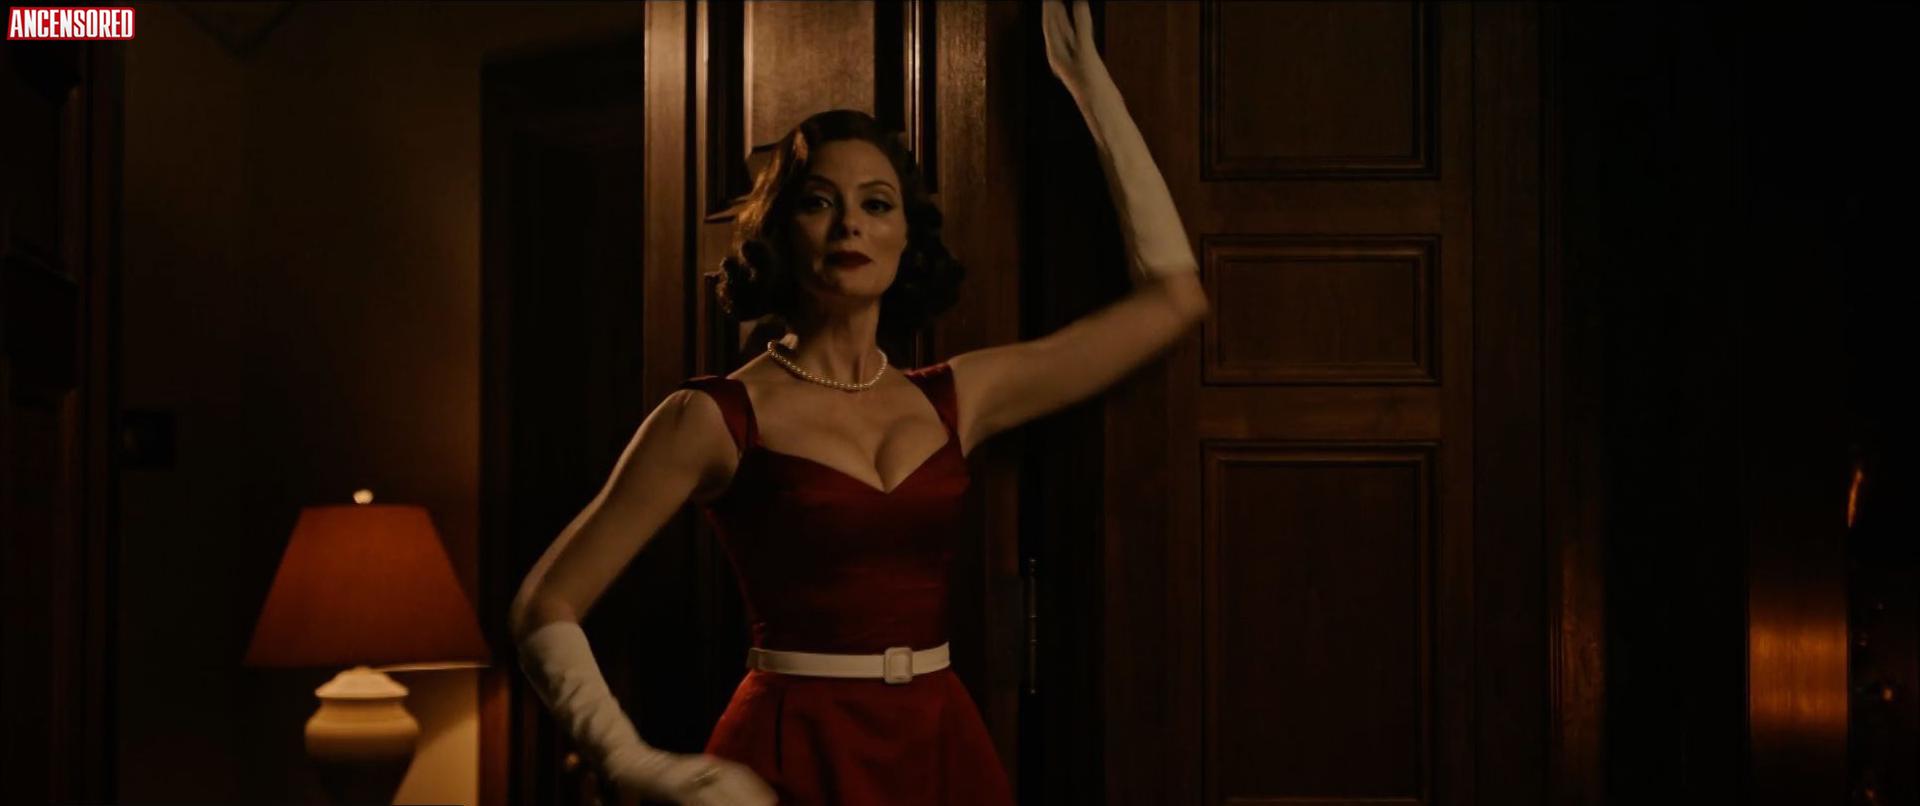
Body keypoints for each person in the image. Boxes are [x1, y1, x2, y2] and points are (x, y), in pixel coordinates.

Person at [509, 2, 1209, 803]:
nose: (849, 224)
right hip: (788, 750)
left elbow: (1174, 300)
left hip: (942, 743)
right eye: (818, 202)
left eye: (877, 203)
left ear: (906, 235)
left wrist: (1094, 95)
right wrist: (634, 763)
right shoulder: (712, 417)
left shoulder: (957, 398)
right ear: (781, 230)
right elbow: (544, 605)